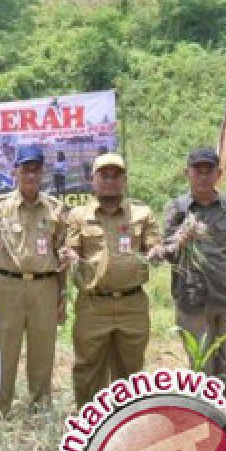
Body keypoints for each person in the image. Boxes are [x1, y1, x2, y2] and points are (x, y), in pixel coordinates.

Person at [62, 153, 165, 406]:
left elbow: (155, 245)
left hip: (132, 305)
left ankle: (127, 422)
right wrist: (70, 256)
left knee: (130, 368)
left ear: (124, 180)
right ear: (92, 180)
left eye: (116, 175)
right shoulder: (78, 215)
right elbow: (71, 248)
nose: (110, 180)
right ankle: (88, 423)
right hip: (93, 305)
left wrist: (156, 252)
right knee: (88, 368)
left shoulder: (142, 214)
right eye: (104, 175)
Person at [162, 147, 226, 394]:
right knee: (202, 368)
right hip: (193, 301)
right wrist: (180, 239)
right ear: (188, 173)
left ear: (219, 174)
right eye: (198, 170)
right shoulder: (178, 209)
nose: (204, 176)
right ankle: (206, 423)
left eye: (209, 171)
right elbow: (165, 254)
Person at [0, 146, 66, 416]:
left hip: (44, 285)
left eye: (35, 169)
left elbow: (62, 255)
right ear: (15, 171)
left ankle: (40, 406)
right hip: (8, 285)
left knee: (43, 348)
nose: (30, 174)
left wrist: (63, 296)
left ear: (42, 172)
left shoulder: (54, 209)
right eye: (25, 169)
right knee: (3, 346)